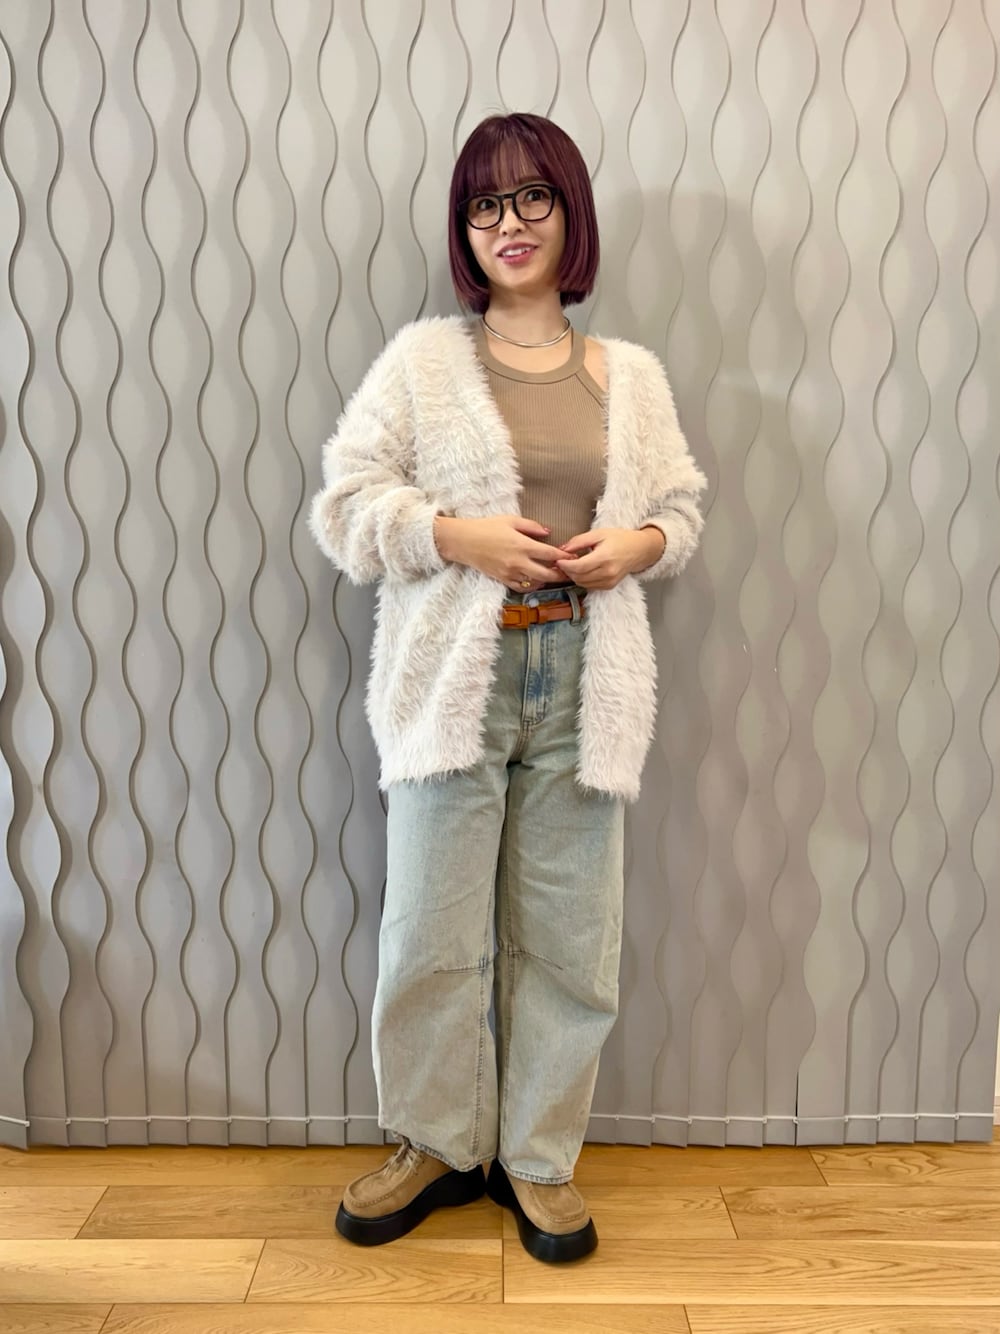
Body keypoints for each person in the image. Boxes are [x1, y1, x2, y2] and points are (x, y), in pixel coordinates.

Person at [308, 111, 706, 1264]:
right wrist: (453, 533)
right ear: (464, 229)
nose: (509, 222)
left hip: (586, 678)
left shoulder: (629, 376)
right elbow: (344, 504)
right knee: (429, 929)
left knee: (572, 938)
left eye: (533, 196)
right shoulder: (423, 363)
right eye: (484, 203)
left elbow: (679, 510)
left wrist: (638, 544)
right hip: (453, 683)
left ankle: (536, 1157)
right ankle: (435, 1144)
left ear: (570, 212)